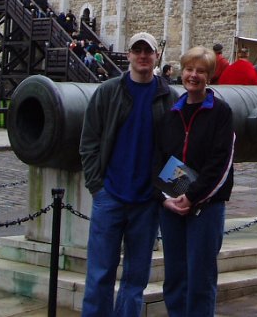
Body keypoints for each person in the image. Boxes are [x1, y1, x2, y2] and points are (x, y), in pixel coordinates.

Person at [79, 32, 174, 317]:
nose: (143, 56)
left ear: (156, 56)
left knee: (135, 279)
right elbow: (89, 141)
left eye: (148, 51)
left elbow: (178, 149)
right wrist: (97, 186)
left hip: (147, 201)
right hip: (110, 195)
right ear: (129, 54)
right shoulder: (109, 91)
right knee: (100, 274)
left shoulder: (169, 97)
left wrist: (173, 193)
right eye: (137, 50)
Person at [155, 46, 235, 317]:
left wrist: (192, 196)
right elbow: (159, 158)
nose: (194, 75)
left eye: (201, 71)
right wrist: (165, 199)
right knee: (175, 276)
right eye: (189, 69)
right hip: (172, 206)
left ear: (209, 76)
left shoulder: (221, 113)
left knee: (201, 277)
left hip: (206, 206)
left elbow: (220, 162)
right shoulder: (171, 114)